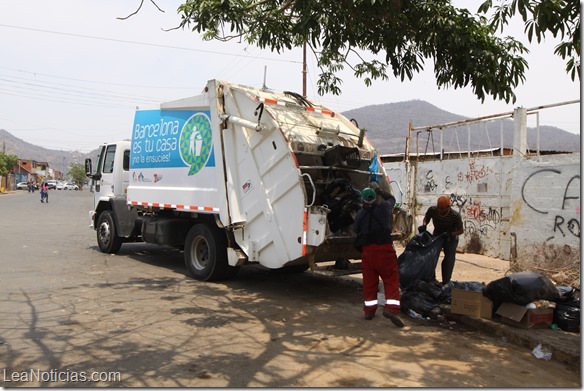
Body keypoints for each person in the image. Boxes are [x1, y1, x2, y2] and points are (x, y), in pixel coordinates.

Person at [353, 182, 404, 327]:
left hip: (368, 252)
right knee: (390, 279)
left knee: (369, 282)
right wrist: (379, 190)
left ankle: (369, 311)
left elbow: (356, 229)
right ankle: (391, 309)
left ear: (363, 200)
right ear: (375, 199)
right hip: (384, 250)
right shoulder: (385, 208)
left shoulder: (360, 214)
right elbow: (392, 199)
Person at [420, 195, 464, 285]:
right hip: (438, 234)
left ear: (448, 207)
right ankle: (431, 279)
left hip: (450, 236)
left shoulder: (455, 216)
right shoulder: (433, 210)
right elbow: (426, 218)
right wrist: (424, 225)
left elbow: (461, 230)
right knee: (431, 256)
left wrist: (450, 234)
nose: (439, 210)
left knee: (449, 259)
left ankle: (446, 281)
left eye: (442, 208)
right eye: (438, 207)